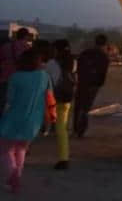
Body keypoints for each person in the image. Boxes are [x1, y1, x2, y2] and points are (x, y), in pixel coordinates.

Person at [0, 49, 56, 193]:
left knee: (5, 150)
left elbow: (9, 101)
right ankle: (16, 178)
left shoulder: (16, 77)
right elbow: (49, 97)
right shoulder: (44, 76)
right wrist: (50, 118)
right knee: (21, 149)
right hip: (33, 121)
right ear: (38, 62)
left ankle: (13, 177)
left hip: (13, 118)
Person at [73, 34, 109, 138]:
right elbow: (103, 73)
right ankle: (81, 130)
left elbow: (78, 67)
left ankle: (76, 127)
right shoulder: (103, 56)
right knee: (86, 107)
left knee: (78, 104)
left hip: (83, 82)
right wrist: (100, 83)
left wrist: (80, 78)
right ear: (105, 44)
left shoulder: (85, 53)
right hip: (93, 84)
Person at [52, 39, 76, 170]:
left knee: (59, 128)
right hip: (67, 96)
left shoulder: (54, 63)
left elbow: (52, 80)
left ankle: (63, 158)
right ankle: (63, 157)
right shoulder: (72, 61)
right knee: (62, 127)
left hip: (54, 97)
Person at [0, 28, 31, 115]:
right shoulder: (27, 48)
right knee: (17, 103)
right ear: (26, 36)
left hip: (5, 78)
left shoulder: (6, 46)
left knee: (3, 102)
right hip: (20, 79)